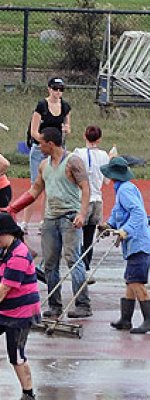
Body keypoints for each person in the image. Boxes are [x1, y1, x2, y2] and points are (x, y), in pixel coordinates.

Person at [3, 127, 91, 319]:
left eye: (41, 142)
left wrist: (82, 214)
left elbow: (85, 188)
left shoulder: (73, 161)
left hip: (70, 217)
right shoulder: (44, 165)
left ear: (50, 144)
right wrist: (13, 208)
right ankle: (54, 304)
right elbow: (34, 191)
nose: (39, 146)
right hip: (51, 219)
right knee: (50, 264)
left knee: (73, 258)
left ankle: (83, 303)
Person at [99, 157, 150, 334]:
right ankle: (125, 319)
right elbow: (118, 212)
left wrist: (126, 230)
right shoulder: (123, 189)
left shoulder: (125, 190)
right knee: (130, 280)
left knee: (135, 281)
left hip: (139, 243)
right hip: (136, 243)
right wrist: (109, 225)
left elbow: (138, 214)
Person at [21, 77, 71, 234]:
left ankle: (45, 221)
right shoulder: (41, 106)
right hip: (40, 149)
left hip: (56, 150)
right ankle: (25, 222)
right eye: (55, 88)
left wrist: (65, 130)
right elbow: (34, 131)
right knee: (35, 185)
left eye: (61, 89)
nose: (58, 92)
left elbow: (68, 126)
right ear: (49, 89)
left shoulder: (65, 107)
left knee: (51, 187)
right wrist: (45, 143)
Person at [0, 212, 40, 400]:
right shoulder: (3, 250)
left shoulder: (19, 255)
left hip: (20, 313)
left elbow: (3, 290)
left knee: (15, 354)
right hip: (5, 308)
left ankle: (28, 393)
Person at [74, 126, 110, 281]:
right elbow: (107, 180)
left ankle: (79, 267)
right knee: (89, 238)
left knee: (76, 237)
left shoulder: (78, 153)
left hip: (82, 200)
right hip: (97, 200)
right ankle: (86, 268)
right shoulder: (104, 156)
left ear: (84, 136)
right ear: (99, 139)